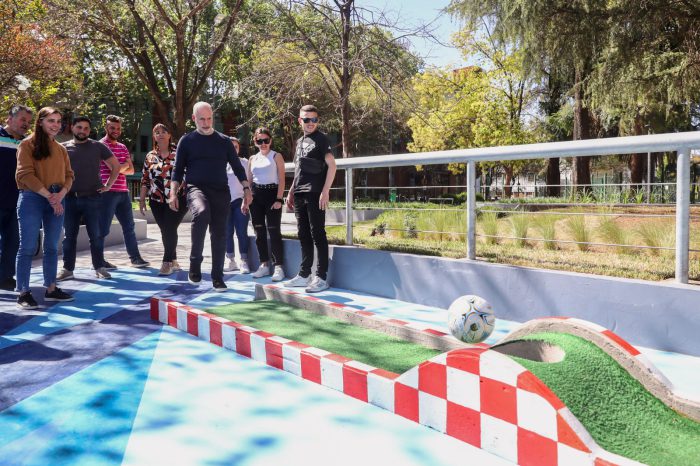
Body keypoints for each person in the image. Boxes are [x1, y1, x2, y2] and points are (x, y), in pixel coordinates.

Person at [170, 102, 252, 291]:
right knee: (202, 212)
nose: (206, 123)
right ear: (194, 119)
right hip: (196, 188)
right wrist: (173, 192)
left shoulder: (223, 141)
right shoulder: (187, 140)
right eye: (202, 119)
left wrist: (247, 189)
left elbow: (238, 167)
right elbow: (177, 169)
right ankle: (195, 263)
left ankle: (217, 276)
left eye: (209, 119)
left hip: (220, 191)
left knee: (220, 233)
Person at [15, 107, 75, 309]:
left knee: (51, 246)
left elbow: (69, 175)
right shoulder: (26, 144)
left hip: (58, 198)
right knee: (28, 247)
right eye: (51, 120)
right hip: (33, 197)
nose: (55, 125)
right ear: (40, 122)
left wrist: (60, 195)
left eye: (58, 121)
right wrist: (50, 197)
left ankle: (51, 288)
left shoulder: (61, 149)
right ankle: (23, 292)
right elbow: (25, 175)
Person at [57, 116, 120, 281]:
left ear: (89, 131)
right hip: (69, 199)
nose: (82, 131)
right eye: (79, 127)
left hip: (93, 198)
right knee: (69, 237)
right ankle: (67, 269)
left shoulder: (97, 146)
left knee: (96, 235)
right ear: (72, 127)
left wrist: (108, 185)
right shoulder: (62, 148)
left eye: (86, 128)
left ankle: (99, 267)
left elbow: (116, 166)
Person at [284, 104, 337, 293]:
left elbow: (332, 166)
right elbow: (299, 169)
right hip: (299, 193)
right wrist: (291, 190)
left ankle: (321, 277)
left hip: (315, 193)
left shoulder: (321, 139)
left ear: (317, 121)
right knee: (303, 234)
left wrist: (325, 191)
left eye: (314, 119)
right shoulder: (299, 141)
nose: (310, 123)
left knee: (318, 234)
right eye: (306, 119)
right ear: (300, 120)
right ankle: (304, 274)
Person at [98, 115, 150, 269]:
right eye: (112, 127)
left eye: (118, 128)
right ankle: (98, 260)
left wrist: (119, 168)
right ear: (106, 128)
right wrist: (123, 167)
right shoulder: (101, 146)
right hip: (107, 192)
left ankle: (135, 258)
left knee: (129, 227)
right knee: (103, 228)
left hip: (123, 192)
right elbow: (117, 169)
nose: (115, 130)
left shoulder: (122, 147)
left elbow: (131, 170)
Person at [139, 123, 188, 276]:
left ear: (169, 135)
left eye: (163, 131)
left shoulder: (179, 153)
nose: (160, 134)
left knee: (169, 228)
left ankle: (166, 262)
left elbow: (187, 176)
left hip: (178, 198)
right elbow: (145, 180)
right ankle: (173, 260)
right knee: (167, 230)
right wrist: (141, 200)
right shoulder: (150, 156)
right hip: (156, 200)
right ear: (154, 137)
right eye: (156, 132)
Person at [0, 105, 33, 292]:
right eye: (22, 120)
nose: (25, 124)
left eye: (28, 122)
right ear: (9, 119)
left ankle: (5, 277)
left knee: (12, 241)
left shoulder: (26, 144)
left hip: (17, 202)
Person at [247, 127, 286, 281]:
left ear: (270, 141)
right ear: (255, 142)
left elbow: (282, 179)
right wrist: (247, 199)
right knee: (259, 231)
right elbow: (249, 181)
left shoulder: (276, 156)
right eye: (259, 141)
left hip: (272, 195)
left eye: (266, 140)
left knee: (274, 230)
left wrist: (278, 199)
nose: (263, 144)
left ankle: (278, 267)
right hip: (256, 196)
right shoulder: (252, 159)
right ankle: (264, 264)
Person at [225, 136, 250, 273]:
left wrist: (247, 199)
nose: (234, 149)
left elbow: (250, 182)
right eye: (231, 146)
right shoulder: (221, 163)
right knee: (227, 232)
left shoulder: (245, 163)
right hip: (224, 203)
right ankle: (230, 259)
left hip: (240, 202)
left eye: (236, 146)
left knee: (241, 232)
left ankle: (244, 260)